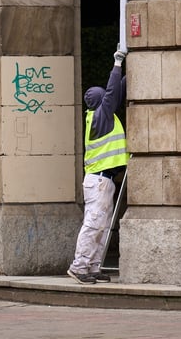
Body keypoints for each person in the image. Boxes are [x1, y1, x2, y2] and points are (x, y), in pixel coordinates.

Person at [67, 47, 129, 285]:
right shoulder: (100, 115)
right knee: (94, 225)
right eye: (104, 98)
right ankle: (79, 266)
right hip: (99, 181)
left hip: (103, 182)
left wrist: (131, 65)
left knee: (100, 226)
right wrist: (117, 64)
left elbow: (119, 89)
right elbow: (114, 92)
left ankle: (92, 267)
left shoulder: (102, 116)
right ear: (99, 101)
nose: (108, 99)